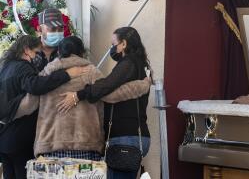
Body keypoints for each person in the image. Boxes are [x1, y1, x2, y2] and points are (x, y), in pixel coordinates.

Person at [18, 36, 150, 161]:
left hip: (50, 146)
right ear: (82, 52)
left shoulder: (46, 74)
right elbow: (113, 94)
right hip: (86, 145)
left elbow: (27, 105)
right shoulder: (90, 72)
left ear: (59, 52)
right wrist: (142, 85)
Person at [58, 27, 152, 179]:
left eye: (113, 44)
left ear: (123, 44)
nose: (112, 48)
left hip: (125, 137)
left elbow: (107, 86)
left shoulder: (129, 62)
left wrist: (78, 94)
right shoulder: (141, 64)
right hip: (136, 136)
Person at [0, 35, 86, 179]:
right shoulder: (22, 66)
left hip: (5, 137)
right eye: (35, 52)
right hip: (20, 138)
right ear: (26, 50)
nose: (37, 56)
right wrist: (67, 74)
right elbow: (36, 86)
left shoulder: (6, 67)